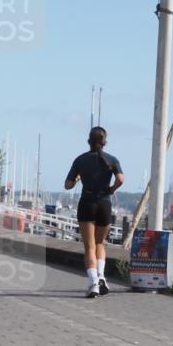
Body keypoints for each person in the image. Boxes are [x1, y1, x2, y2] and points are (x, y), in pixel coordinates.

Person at [64, 126, 124, 297]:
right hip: (104, 203)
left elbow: (67, 185)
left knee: (89, 246)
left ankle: (93, 284)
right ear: (104, 142)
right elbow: (121, 178)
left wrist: (76, 179)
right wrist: (112, 189)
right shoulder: (112, 159)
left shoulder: (80, 160)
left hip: (87, 203)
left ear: (88, 141)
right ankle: (102, 276)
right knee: (100, 244)